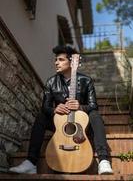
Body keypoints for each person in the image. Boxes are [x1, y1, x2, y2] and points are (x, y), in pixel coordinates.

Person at [9, 45, 113, 175]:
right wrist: (54, 109)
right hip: (61, 125)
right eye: (56, 60)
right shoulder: (51, 82)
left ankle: (103, 161)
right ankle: (31, 162)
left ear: (72, 62)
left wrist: (80, 107)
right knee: (41, 116)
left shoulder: (86, 81)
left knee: (95, 115)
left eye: (60, 59)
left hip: (82, 125)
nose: (56, 63)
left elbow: (93, 105)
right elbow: (45, 107)